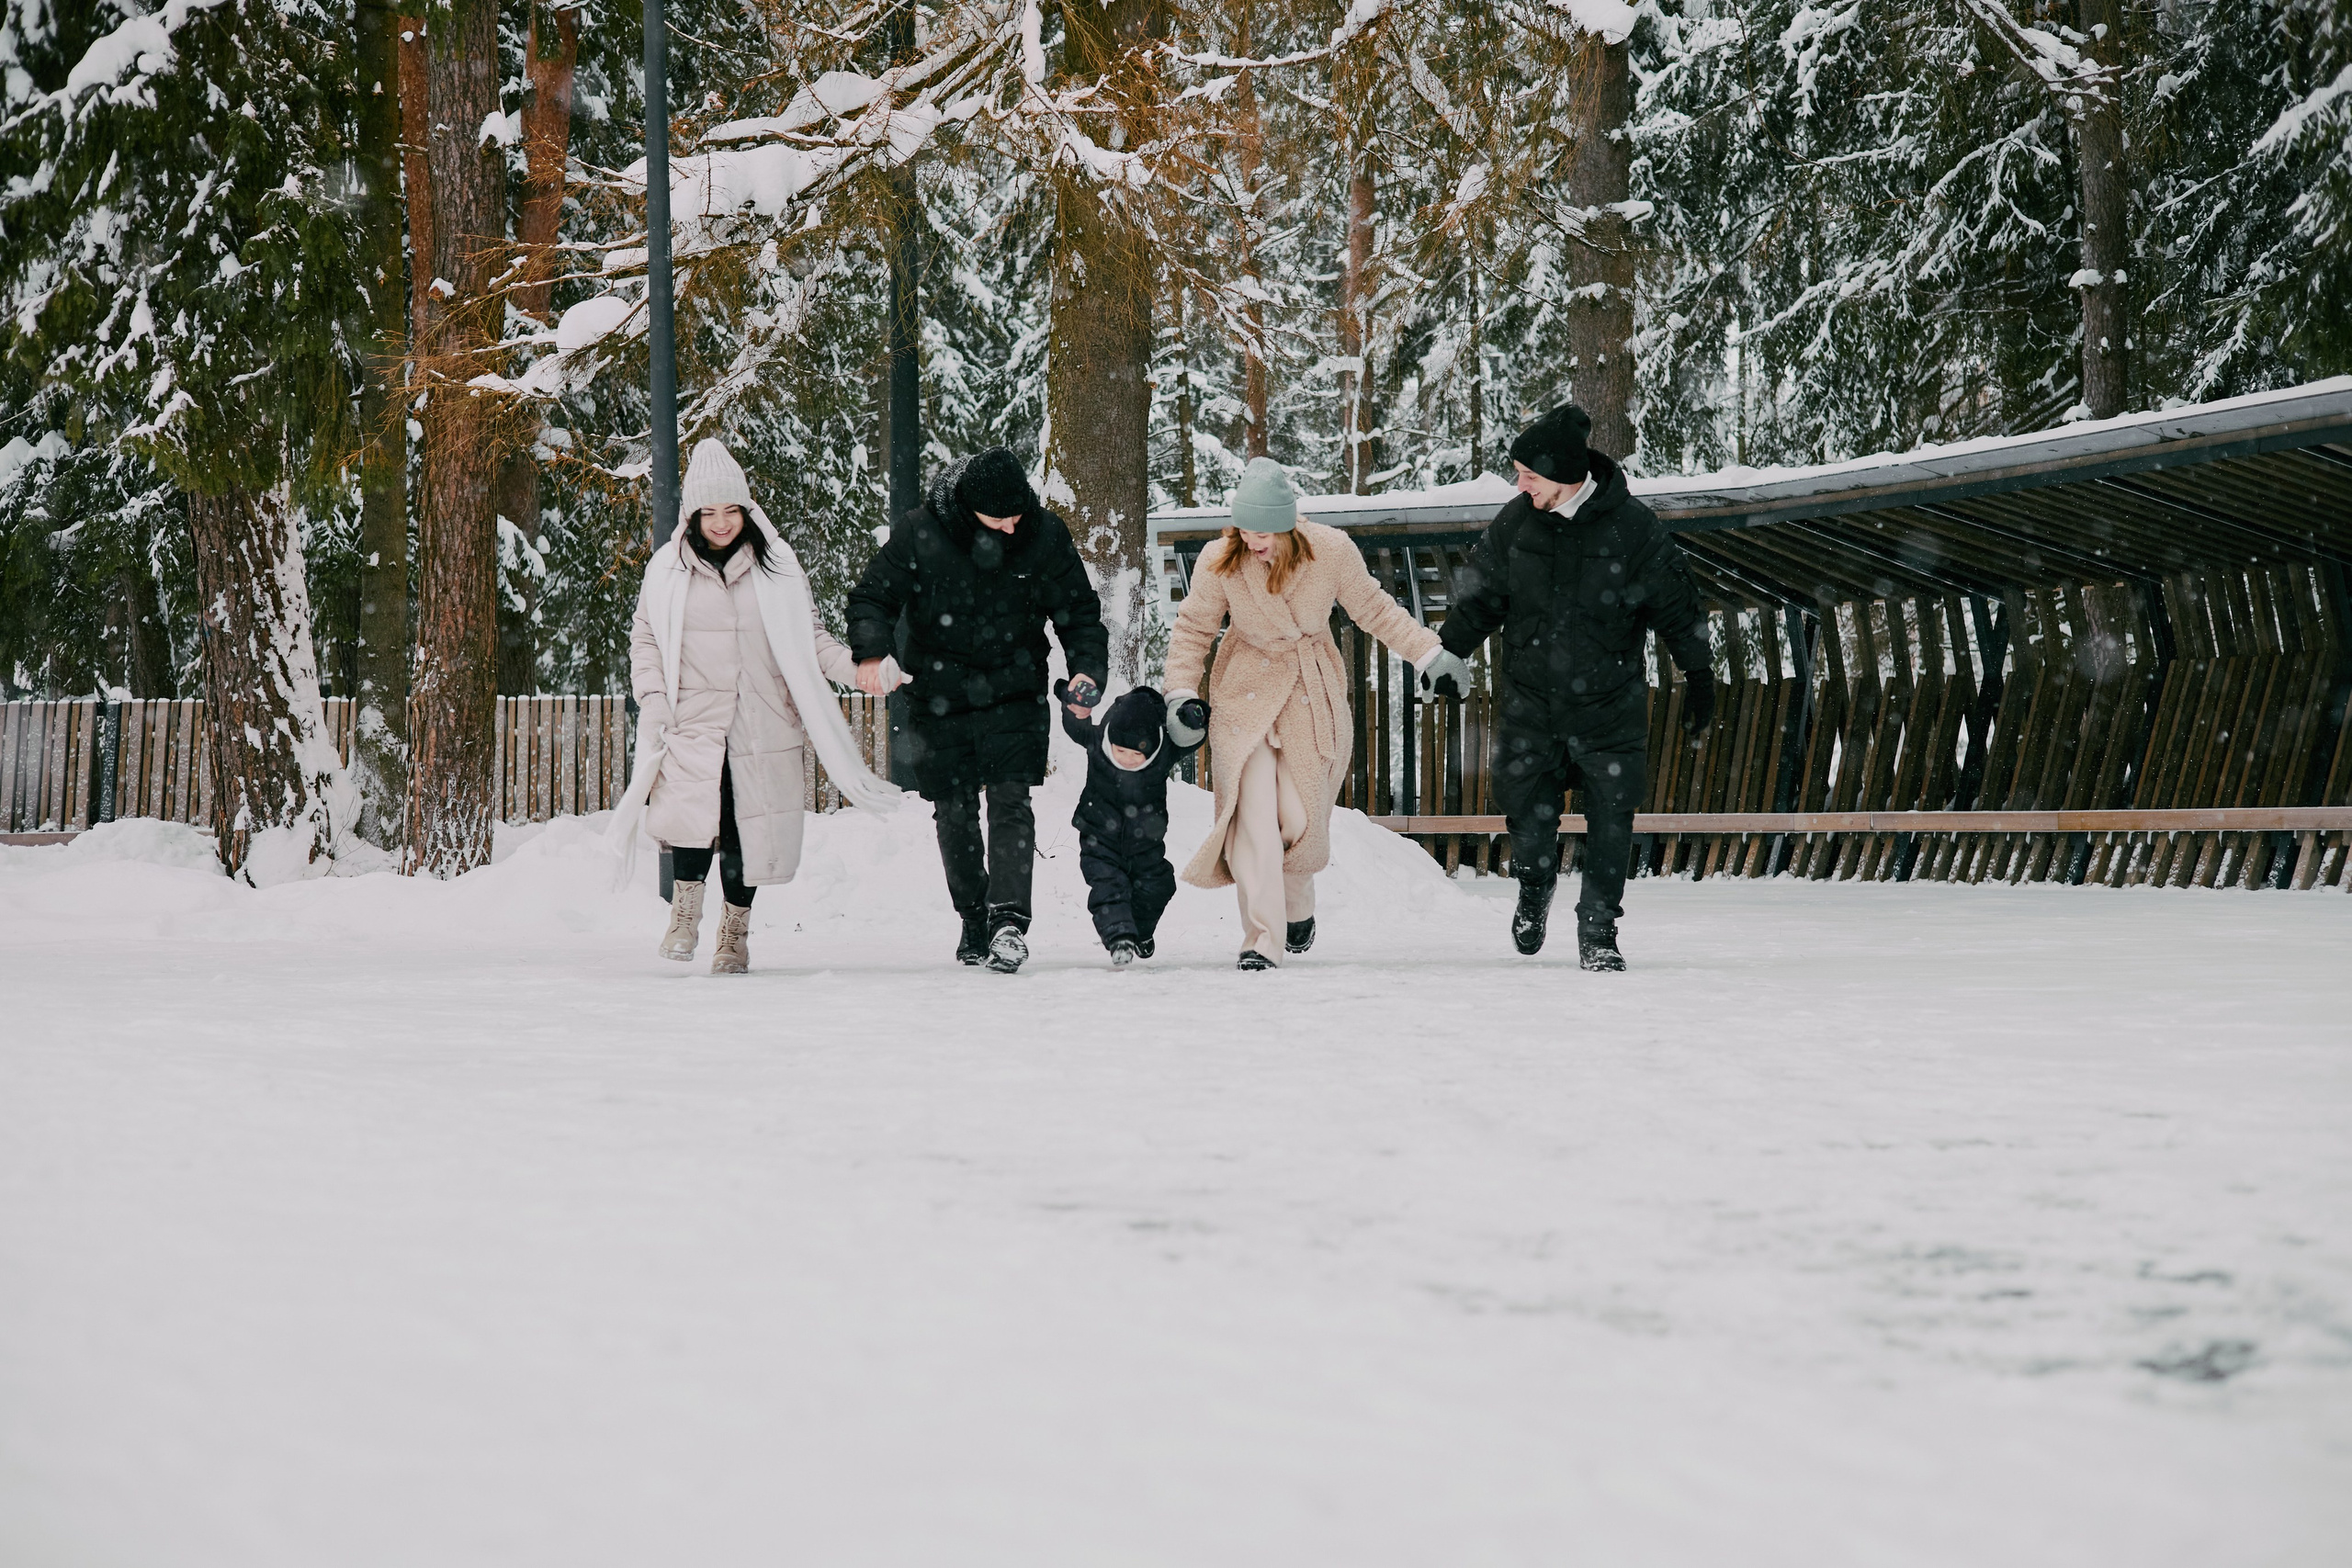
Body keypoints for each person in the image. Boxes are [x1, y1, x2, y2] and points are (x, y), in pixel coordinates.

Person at [1433, 404, 1716, 971]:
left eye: (1529, 475)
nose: (1521, 485)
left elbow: (1678, 609)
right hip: (1530, 703)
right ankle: (1535, 883)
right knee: (1524, 812)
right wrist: (1448, 653)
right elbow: (1480, 598)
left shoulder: (1633, 528)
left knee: (1613, 815)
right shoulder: (1515, 523)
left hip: (1609, 706)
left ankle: (1599, 930)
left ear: (1563, 475)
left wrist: (1700, 676)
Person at [1165, 457, 1474, 969]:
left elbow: (1375, 609)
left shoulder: (1330, 551)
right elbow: (1193, 628)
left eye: (1264, 532)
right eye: (1245, 531)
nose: (1253, 542)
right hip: (1244, 691)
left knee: (1299, 815)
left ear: (1288, 525)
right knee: (1250, 816)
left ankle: (1296, 903)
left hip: (1309, 690)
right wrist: (1179, 692)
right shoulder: (1221, 559)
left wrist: (1429, 654)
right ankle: (1261, 940)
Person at [618, 439, 901, 974]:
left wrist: (861, 671)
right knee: (692, 821)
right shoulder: (666, 570)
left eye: (731, 510)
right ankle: (685, 912)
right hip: (692, 720)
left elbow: (810, 639)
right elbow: (646, 641)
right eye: (709, 512)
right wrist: (653, 700)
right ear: (693, 515)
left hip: (761, 720)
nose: (721, 523)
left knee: (746, 829)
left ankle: (735, 932)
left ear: (746, 510)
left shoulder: (778, 566)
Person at [845, 447, 1109, 973]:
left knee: (1011, 800)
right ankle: (973, 918)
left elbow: (1079, 612)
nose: (1011, 527)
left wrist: (1086, 670)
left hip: (1015, 688)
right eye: (998, 519)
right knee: (955, 810)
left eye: (1017, 515)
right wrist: (873, 652)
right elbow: (872, 597)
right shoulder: (922, 531)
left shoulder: (1044, 534)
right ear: (970, 509)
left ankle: (1007, 921)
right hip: (937, 694)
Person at [1054, 681, 1207, 967]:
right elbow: (1075, 724)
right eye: (1120, 751)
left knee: (1159, 886)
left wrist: (1194, 719)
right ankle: (1120, 938)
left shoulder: (1163, 753)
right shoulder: (1098, 741)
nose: (1127, 759)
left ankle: (1142, 933)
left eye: (1136, 755)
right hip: (1098, 837)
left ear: (1151, 749)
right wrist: (1070, 701)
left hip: (1145, 843)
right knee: (1108, 885)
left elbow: (1191, 738)